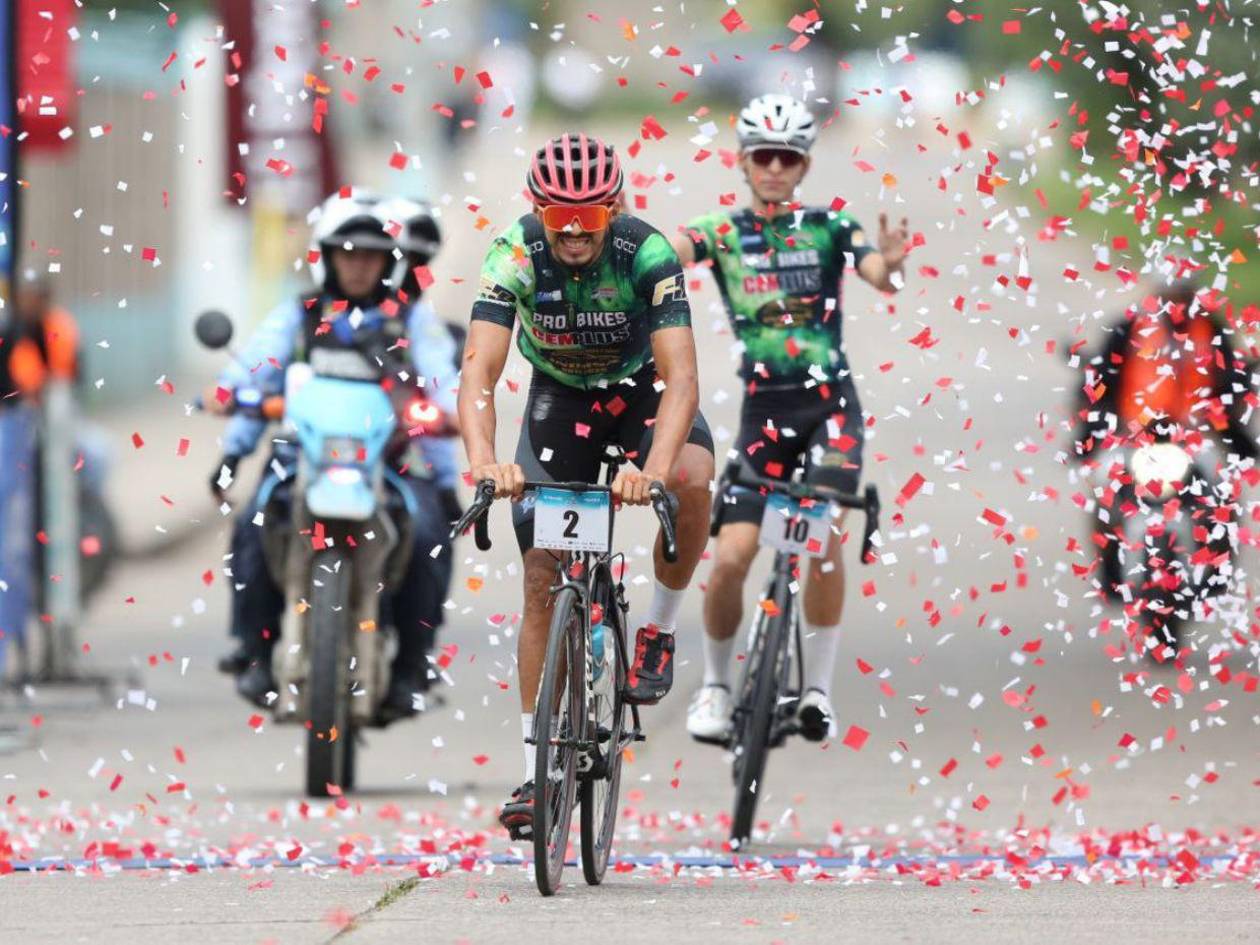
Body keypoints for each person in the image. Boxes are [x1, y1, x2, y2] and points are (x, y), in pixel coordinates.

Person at [458, 132, 714, 838]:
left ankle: (659, 621)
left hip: (642, 391)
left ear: (616, 208)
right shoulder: (512, 252)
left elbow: (683, 379)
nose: (573, 235)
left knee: (693, 476)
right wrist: (485, 463)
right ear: (536, 209)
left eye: (590, 219)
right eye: (559, 218)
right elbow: (478, 371)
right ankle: (539, 771)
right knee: (541, 575)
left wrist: (654, 472)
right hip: (562, 398)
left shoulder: (647, 253)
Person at [671, 94, 909, 744]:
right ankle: (717, 687)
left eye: (788, 158)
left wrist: (891, 261)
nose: (775, 168)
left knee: (820, 540)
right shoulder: (721, 232)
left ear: (802, 166)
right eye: (763, 157)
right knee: (729, 559)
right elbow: (664, 253)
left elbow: (879, 275)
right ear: (743, 162)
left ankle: (818, 692)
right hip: (764, 413)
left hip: (831, 409)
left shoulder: (831, 227)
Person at [208, 189, 460, 718]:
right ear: (327, 258)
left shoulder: (412, 322)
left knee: (432, 535)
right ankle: (252, 649)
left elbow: (444, 386)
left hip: (390, 461)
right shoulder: (297, 317)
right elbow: (252, 370)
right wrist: (233, 447)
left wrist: (445, 473)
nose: (358, 265)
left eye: (370, 255)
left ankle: (413, 667)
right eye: (347, 252)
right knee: (254, 521)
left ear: (387, 264)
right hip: (305, 458)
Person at [1073, 278, 1257, 600]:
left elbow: (1233, 377)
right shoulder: (1127, 328)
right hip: (1133, 438)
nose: (1177, 304)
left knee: (1225, 493)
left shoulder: (1212, 331)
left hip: (1196, 439)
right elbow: (1099, 379)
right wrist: (1095, 423)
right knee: (1102, 489)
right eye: (1170, 296)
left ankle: (1219, 573)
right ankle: (1109, 572)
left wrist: (1237, 400)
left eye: (1184, 296)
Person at [0, 271, 80, 681]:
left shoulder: (53, 329)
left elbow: (51, 382)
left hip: (37, 445)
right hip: (22, 445)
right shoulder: (15, 331)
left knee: (22, 546)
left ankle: (31, 645)